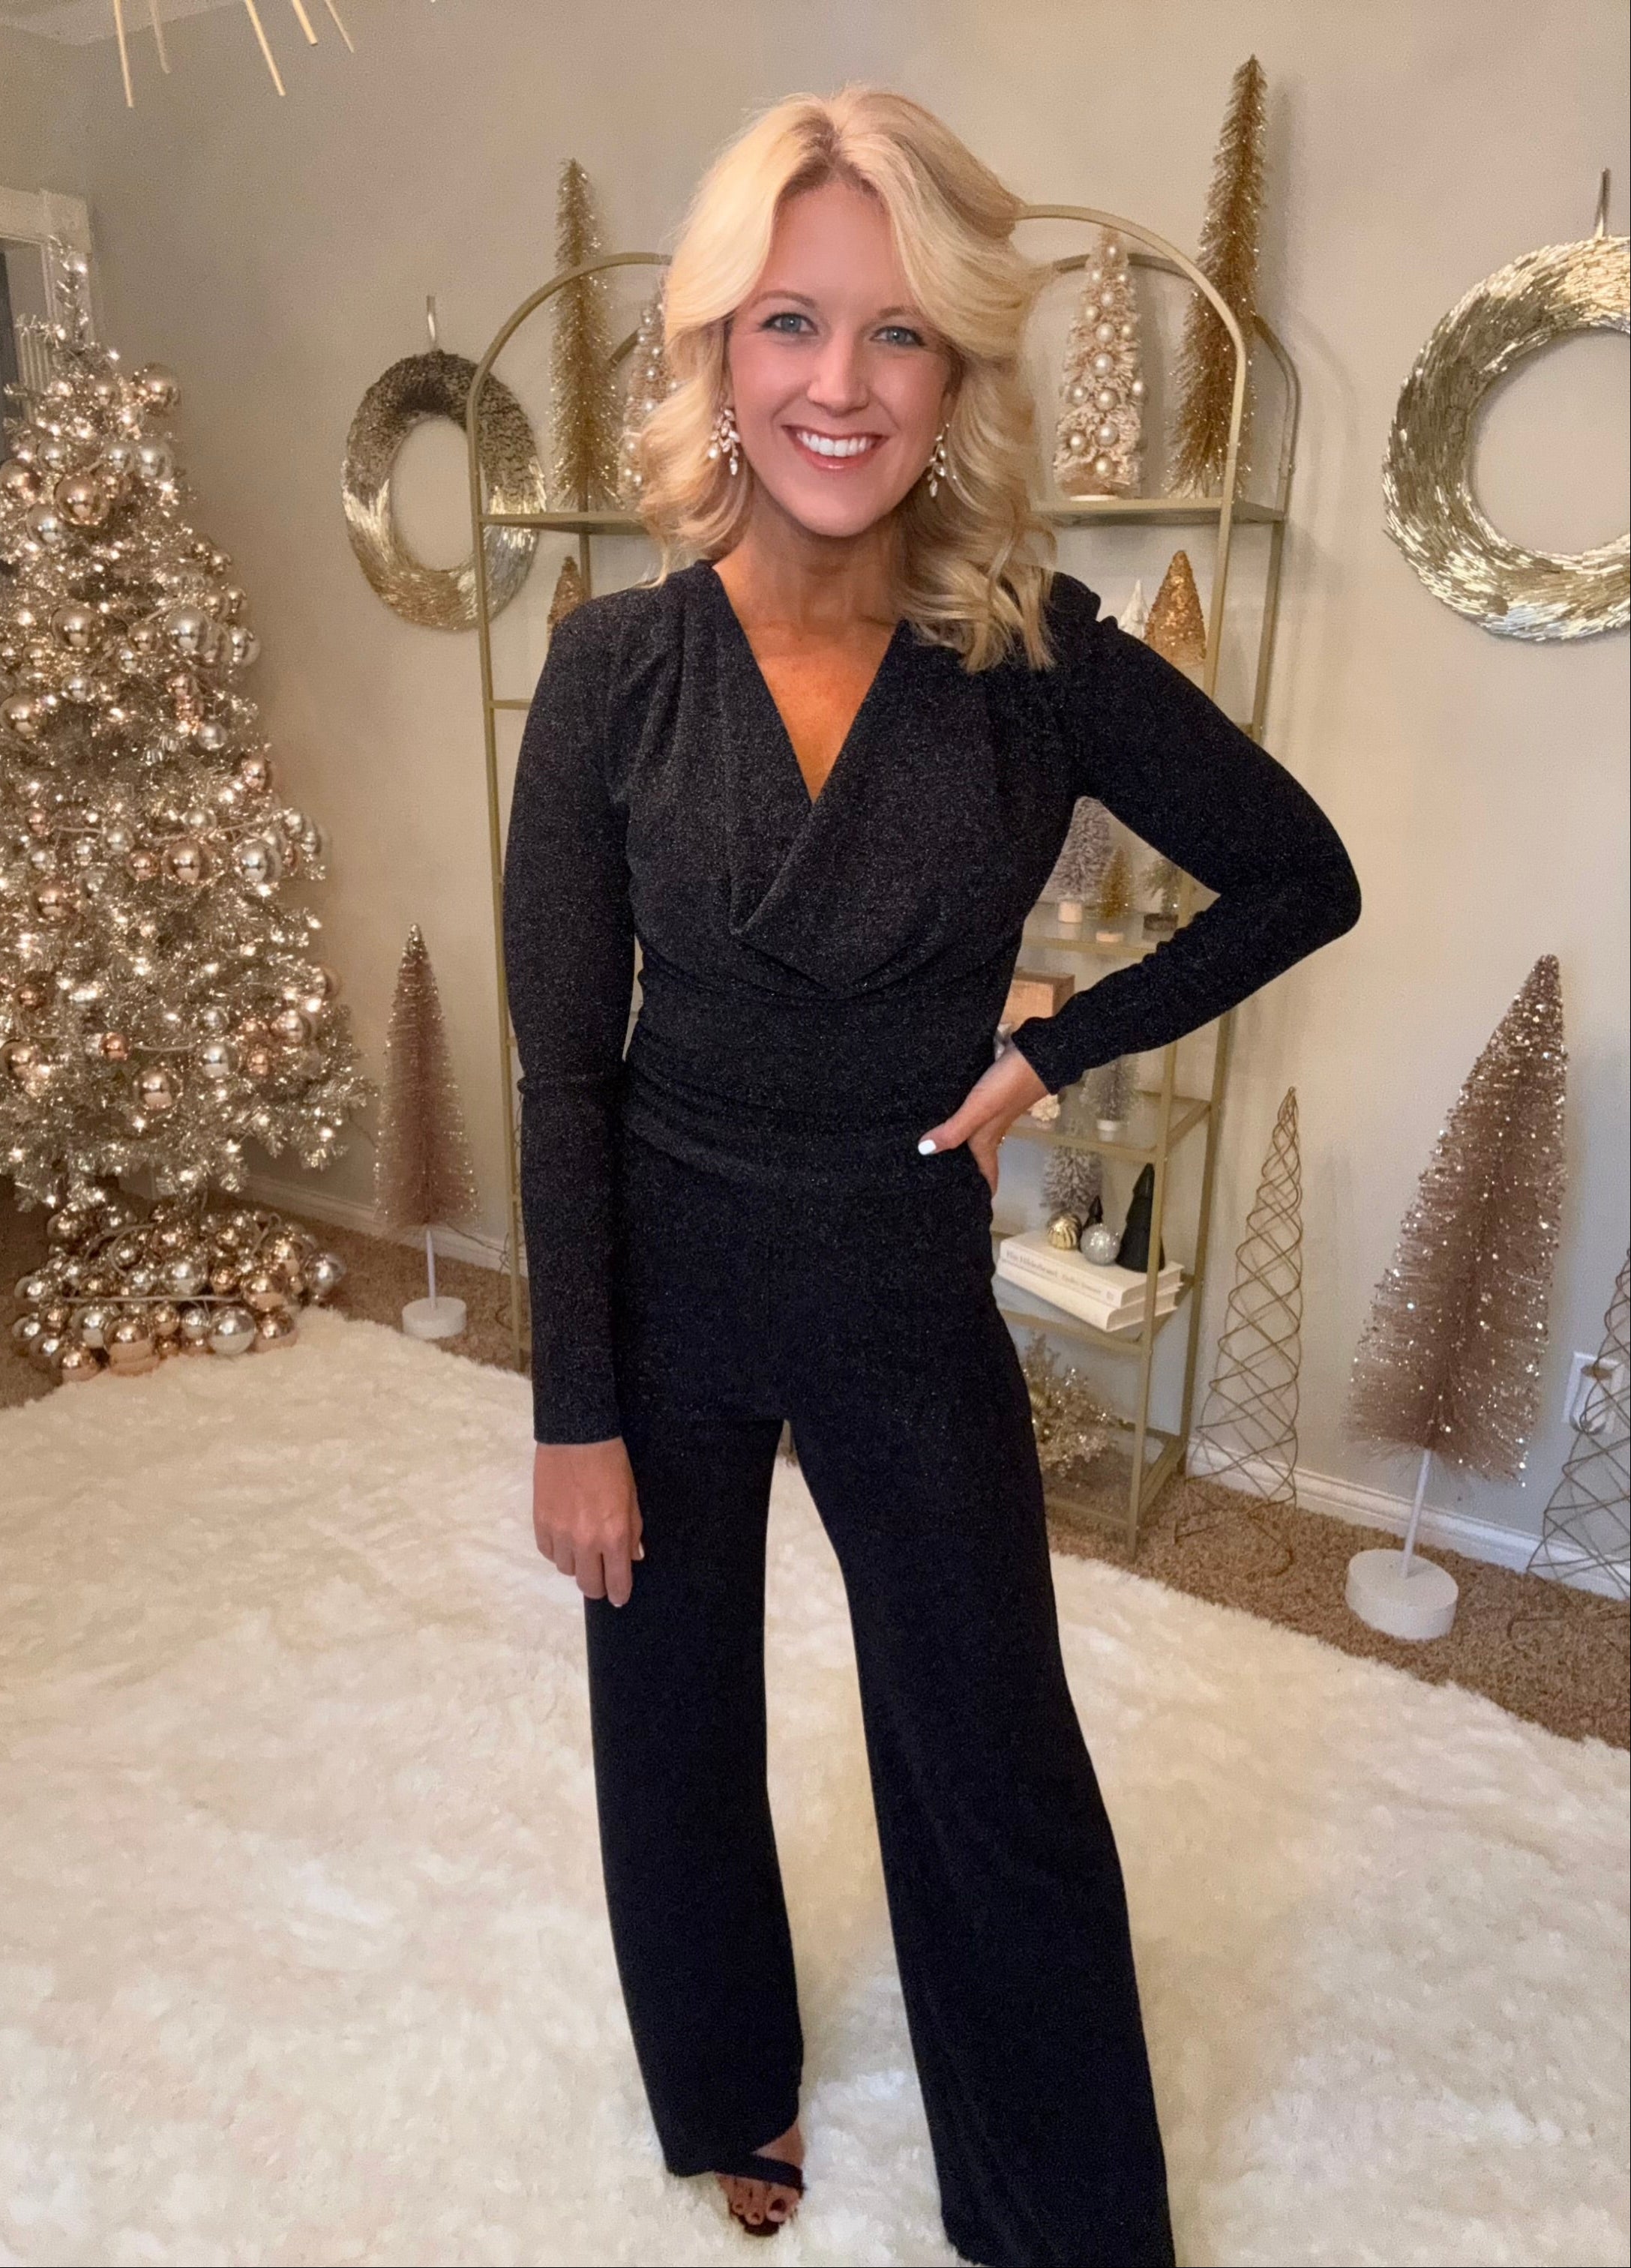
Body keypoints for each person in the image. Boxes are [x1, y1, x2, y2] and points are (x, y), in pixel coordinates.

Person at [502, 85, 1360, 2268]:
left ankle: (1060, 2210)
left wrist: (1058, 1044)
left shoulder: (1035, 657)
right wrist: (574, 1409)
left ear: (958, 373)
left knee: (993, 1749)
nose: (842, 382)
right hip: (670, 1271)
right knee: (668, 1722)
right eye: (792, 321)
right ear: (718, 352)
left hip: (898, 1270)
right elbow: (562, 1070)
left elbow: (1301, 874)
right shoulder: (610, 670)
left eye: (900, 333)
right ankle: (729, 2085)